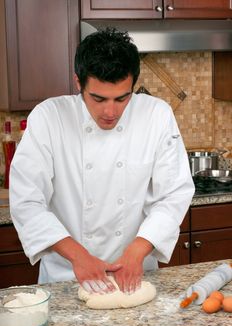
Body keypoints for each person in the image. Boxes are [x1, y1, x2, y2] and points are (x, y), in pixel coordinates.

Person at [10, 28, 194, 295]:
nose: (110, 112)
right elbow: (27, 202)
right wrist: (78, 256)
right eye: (98, 98)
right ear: (78, 82)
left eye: (122, 98)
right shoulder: (49, 118)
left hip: (135, 275)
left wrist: (138, 249)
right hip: (65, 276)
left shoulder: (157, 115)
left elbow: (174, 194)